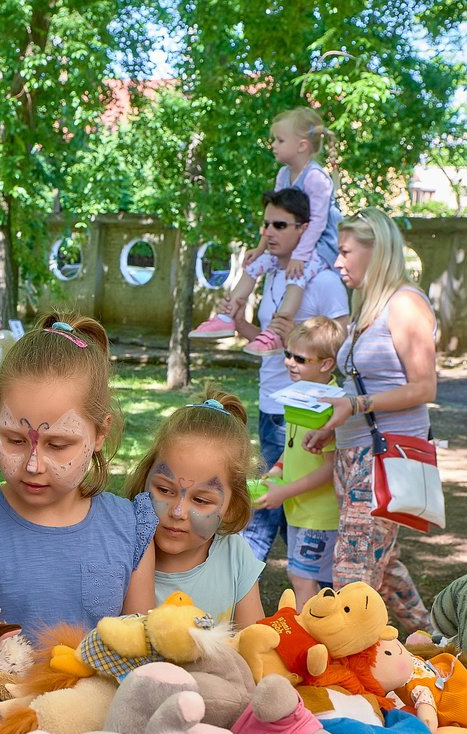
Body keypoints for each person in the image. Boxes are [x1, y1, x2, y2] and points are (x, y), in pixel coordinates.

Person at [0, 313, 158, 734]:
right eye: (14, 440)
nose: (33, 465)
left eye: (57, 445)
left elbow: (138, 657)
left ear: (101, 432)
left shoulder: (129, 529)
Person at [306, 207, 437, 634]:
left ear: (376, 251)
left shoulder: (405, 304)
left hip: (385, 457)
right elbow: (357, 386)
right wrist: (332, 423)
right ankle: (434, 640)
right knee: (381, 561)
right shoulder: (369, 307)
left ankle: (353, 675)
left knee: (352, 571)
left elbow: (424, 389)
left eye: (345, 252)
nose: (338, 262)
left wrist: (357, 407)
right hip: (354, 453)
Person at [233, 188, 350, 566]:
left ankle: (237, 590)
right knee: (285, 511)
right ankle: (315, 589)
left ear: (305, 229)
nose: (268, 232)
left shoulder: (323, 281)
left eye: (279, 225)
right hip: (270, 402)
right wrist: (238, 323)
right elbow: (270, 342)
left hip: (306, 411)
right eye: (265, 223)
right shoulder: (272, 273)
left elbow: (340, 345)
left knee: (264, 511)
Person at [192, 107, 340, 355]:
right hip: (296, 243)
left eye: (280, 140)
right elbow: (275, 213)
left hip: (319, 245)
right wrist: (260, 248)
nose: (273, 145)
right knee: (253, 265)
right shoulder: (284, 174)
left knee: (297, 276)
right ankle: (227, 316)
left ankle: (277, 330)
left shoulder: (317, 178)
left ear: (302, 145)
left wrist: (300, 256)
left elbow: (317, 222)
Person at [124, 390, 264, 625]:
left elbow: (255, 644)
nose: (177, 512)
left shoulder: (235, 555)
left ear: (231, 506)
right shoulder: (122, 548)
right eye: (165, 490)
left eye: (201, 501)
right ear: (145, 478)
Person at [254, 317, 346, 603]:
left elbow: (331, 469)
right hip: (300, 510)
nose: (290, 362)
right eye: (287, 354)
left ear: (326, 364)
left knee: (304, 578)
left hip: (319, 514)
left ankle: (315, 639)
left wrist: (284, 492)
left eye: (300, 358)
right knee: (304, 577)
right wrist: (278, 469)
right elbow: (292, 447)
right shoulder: (299, 394)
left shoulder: (333, 407)